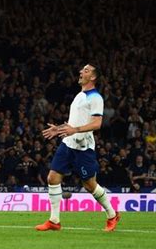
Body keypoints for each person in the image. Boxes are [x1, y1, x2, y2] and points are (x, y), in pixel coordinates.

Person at [35, 64, 120, 232]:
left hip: (83, 148)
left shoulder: (95, 97)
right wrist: (59, 129)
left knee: (90, 185)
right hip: (68, 144)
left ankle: (112, 214)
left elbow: (97, 123)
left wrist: (74, 130)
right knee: (52, 178)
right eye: (82, 70)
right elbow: (73, 124)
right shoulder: (80, 96)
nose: (81, 72)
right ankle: (54, 220)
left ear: (93, 77)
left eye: (86, 71)